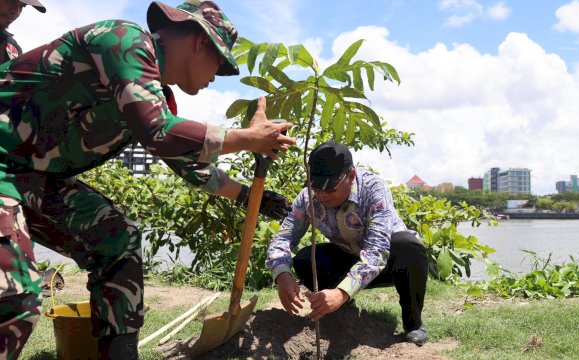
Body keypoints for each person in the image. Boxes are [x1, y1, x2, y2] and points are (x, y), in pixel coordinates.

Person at [0, 1, 295, 359]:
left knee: (117, 237)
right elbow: (160, 133)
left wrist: (256, 198)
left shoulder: (152, 95)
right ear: (200, 42)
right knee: (13, 295)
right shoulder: (124, 41)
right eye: (219, 63)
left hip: (32, 179)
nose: (215, 77)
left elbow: (188, 163)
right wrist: (246, 138)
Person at [266, 142, 428, 346]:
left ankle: (413, 324)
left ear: (350, 176)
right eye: (317, 189)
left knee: (408, 246)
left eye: (331, 189)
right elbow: (283, 237)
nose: (322, 195)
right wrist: (281, 274)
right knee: (305, 259)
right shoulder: (308, 197)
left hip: (389, 262)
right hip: (348, 257)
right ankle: (340, 307)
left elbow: (377, 252)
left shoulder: (373, 189)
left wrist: (341, 291)